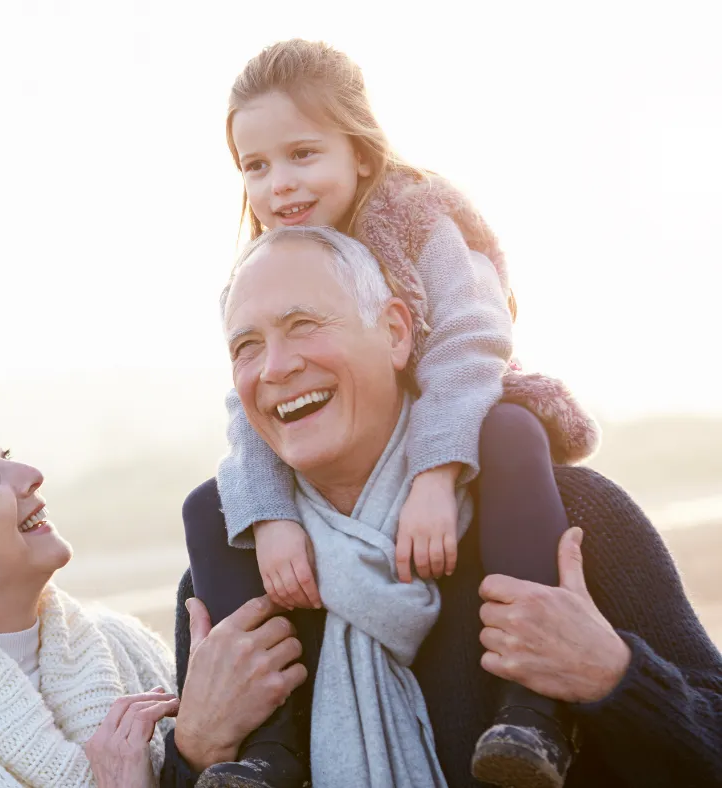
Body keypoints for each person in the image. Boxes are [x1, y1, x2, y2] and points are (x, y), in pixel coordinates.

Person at [168, 228, 722, 788]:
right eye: (247, 347)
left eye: (303, 325)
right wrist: (191, 750)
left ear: (395, 332)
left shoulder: (571, 514)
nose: (275, 367)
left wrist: (612, 676)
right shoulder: (230, 578)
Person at [186, 38, 597, 788]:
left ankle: (536, 709)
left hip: (458, 412)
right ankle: (268, 750)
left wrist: (436, 474)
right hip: (345, 469)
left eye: (303, 154)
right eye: (255, 166)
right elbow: (251, 403)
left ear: (362, 152)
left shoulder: (417, 216)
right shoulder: (264, 267)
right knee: (211, 507)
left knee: (511, 429)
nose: (280, 184)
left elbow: (472, 341)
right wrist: (272, 516)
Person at [0, 393, 306, 788]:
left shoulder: (120, 643)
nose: (32, 476)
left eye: (8, 455)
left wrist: (196, 756)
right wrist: (197, 745)